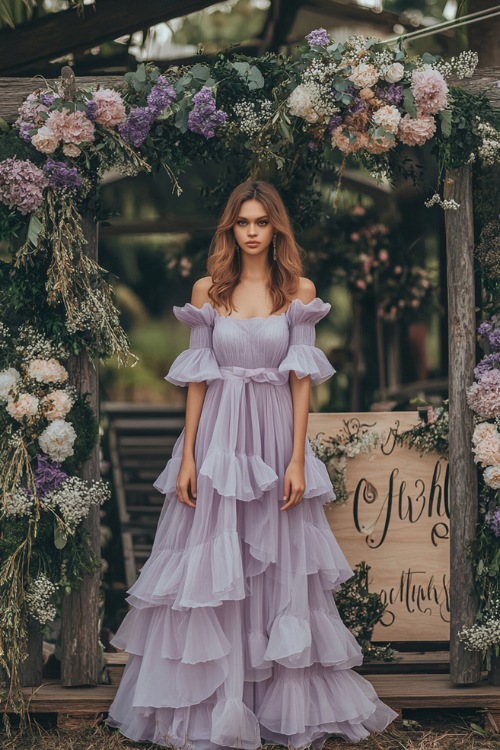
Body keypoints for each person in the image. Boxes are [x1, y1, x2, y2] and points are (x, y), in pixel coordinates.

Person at [105, 181, 398, 748]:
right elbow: (195, 381)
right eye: (243, 222)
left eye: (262, 221)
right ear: (231, 230)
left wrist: (296, 460)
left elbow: (301, 384)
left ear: (276, 228)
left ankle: (276, 706)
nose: (253, 231)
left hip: (273, 439)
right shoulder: (208, 292)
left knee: (276, 563)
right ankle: (214, 706)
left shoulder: (299, 293)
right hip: (219, 439)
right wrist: (188, 456)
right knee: (216, 567)